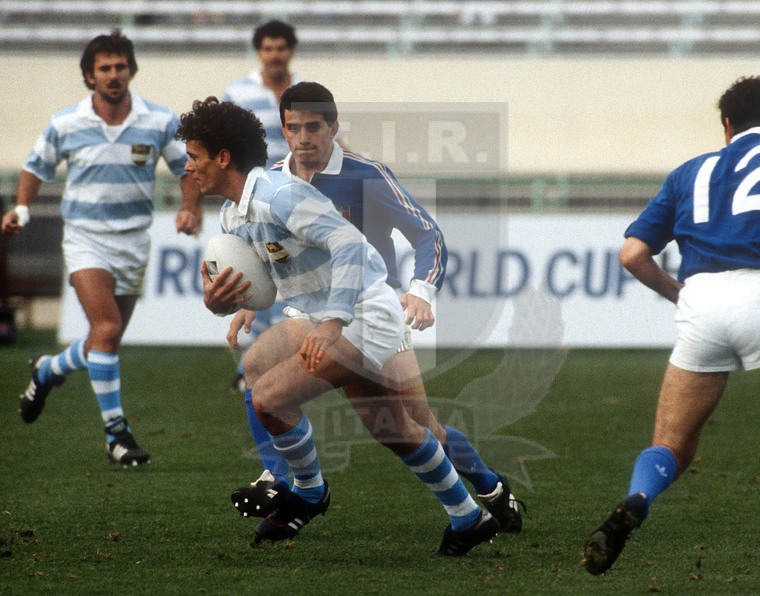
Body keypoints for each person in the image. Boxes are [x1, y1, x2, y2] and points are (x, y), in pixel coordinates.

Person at [178, 96, 499, 554]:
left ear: (222, 158)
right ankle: (469, 518)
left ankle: (307, 493)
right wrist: (221, 303)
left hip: (364, 312)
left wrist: (333, 323)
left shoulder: (279, 195)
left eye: (194, 157)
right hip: (323, 315)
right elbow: (264, 281)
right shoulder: (235, 214)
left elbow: (349, 245)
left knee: (270, 395)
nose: (190, 168)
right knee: (394, 430)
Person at [582, 76, 760, 575]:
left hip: (702, 304)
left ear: (728, 125)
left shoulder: (690, 172)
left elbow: (633, 254)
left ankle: (636, 499)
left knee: (671, 445)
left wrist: (681, 295)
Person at [1, 30, 202, 466]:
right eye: (104, 68)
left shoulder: (158, 120)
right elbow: (36, 166)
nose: (114, 74)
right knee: (107, 330)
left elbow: (187, 168)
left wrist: (191, 209)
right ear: (89, 77)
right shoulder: (66, 122)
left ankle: (47, 370)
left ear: (131, 70)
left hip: (134, 240)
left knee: (103, 338)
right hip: (85, 238)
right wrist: (21, 207)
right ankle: (118, 437)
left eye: (120, 66)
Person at [221, 19, 301, 393]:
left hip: (293, 201)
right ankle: (249, 366)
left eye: (281, 48)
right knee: (254, 281)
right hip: (251, 203)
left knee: (287, 281)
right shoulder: (238, 92)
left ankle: (274, 362)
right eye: (268, 48)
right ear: (259, 52)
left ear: (291, 51)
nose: (275, 55)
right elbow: (218, 145)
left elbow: (324, 137)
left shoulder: (303, 92)